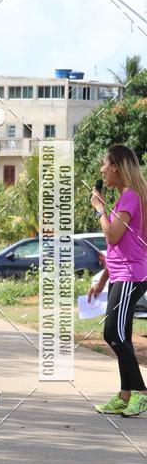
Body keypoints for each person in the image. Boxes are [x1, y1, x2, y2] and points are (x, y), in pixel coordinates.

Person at [89, 145, 147, 416]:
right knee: (120, 334)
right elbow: (119, 248)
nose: (101, 170)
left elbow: (111, 236)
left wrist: (100, 208)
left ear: (116, 167)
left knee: (113, 333)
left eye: (104, 163)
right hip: (121, 274)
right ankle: (125, 395)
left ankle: (141, 393)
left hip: (131, 276)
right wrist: (103, 278)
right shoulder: (128, 197)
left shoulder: (130, 197)